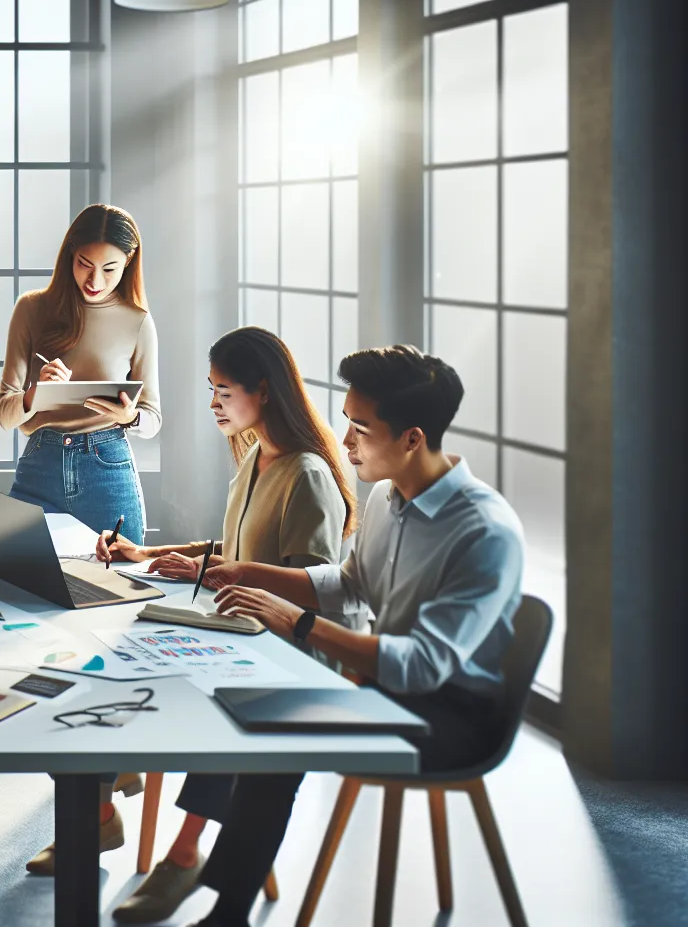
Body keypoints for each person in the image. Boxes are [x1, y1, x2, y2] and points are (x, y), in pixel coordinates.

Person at [180, 345, 523, 927]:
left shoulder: (484, 532)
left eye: (360, 428)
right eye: (347, 421)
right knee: (251, 709)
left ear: (413, 438)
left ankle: (225, 910)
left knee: (274, 733)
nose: (344, 442)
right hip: (387, 690)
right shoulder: (389, 496)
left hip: (453, 718)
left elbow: (421, 667)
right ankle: (221, 900)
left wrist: (298, 622)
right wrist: (251, 572)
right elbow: (351, 584)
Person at [75, 327, 359, 920]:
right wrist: (149, 554)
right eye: (211, 389)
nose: (212, 404)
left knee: (221, 701)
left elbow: (310, 584)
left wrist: (221, 574)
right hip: (239, 628)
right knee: (107, 659)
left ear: (263, 390)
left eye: (223, 391)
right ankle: (98, 814)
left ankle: (183, 855)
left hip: (290, 651)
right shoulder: (257, 452)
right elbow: (236, 548)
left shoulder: (307, 474)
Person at [0, 203, 160, 539]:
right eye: (85, 264)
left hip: (108, 467)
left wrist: (130, 417)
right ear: (70, 253)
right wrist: (35, 393)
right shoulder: (31, 309)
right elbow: (4, 415)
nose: (95, 280)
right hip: (40, 464)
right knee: (17, 579)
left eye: (109, 269)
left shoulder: (138, 322)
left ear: (128, 262)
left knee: (121, 580)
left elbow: (153, 418)